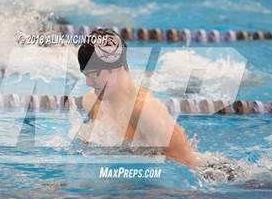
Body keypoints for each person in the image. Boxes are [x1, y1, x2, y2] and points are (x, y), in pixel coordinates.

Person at [76, 29, 197, 168]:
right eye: (85, 75)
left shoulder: (145, 112)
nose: (88, 83)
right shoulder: (92, 102)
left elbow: (188, 167)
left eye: (93, 74)